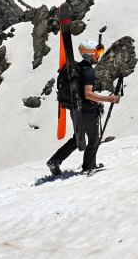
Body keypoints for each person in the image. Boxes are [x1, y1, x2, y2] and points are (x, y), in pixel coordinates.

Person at [46, 40, 119, 175]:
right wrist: (108, 99)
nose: (99, 55)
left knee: (77, 138)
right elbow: (88, 94)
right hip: (86, 111)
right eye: (97, 53)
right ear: (89, 54)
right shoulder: (88, 71)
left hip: (75, 108)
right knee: (94, 139)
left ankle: (55, 160)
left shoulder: (77, 68)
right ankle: (89, 167)